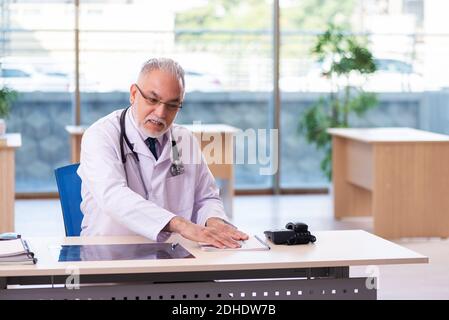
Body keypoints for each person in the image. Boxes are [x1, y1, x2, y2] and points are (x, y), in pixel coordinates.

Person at [77, 57, 248, 248]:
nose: (160, 113)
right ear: (134, 94)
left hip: (172, 255)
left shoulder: (183, 140)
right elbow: (113, 196)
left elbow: (206, 197)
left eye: (172, 105)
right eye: (152, 99)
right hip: (110, 257)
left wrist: (214, 221)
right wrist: (181, 225)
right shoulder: (101, 135)